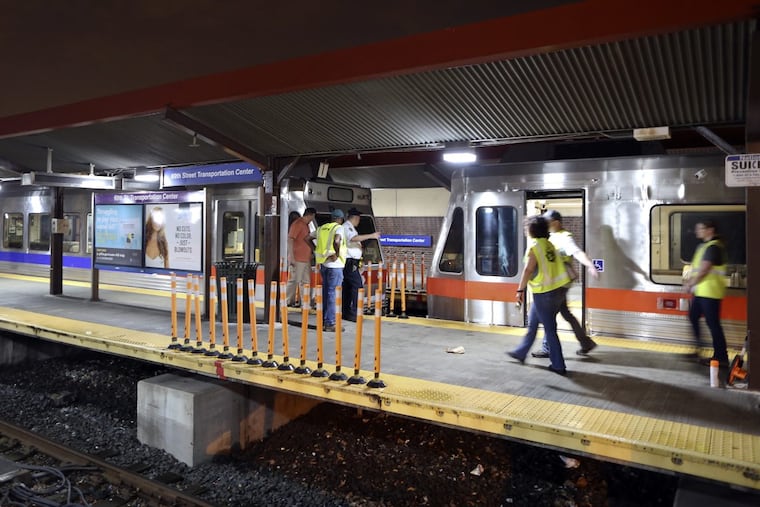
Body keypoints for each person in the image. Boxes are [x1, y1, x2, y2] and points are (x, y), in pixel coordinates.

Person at [507, 215, 573, 375]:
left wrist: (519, 290)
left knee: (550, 330)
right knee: (533, 323)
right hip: (556, 292)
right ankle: (521, 352)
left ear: (532, 230)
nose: (525, 230)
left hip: (545, 294)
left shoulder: (535, 246)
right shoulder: (549, 244)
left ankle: (559, 365)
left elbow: (528, 270)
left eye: (526, 228)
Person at [531, 210, 599, 358]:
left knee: (549, 315)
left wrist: (590, 265)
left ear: (556, 222)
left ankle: (547, 348)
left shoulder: (565, 237)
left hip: (560, 284)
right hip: (557, 283)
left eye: (547, 222)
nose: (545, 224)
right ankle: (585, 342)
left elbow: (577, 252)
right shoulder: (549, 237)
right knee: (565, 314)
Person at [683, 220, 728, 366]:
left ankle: (721, 357)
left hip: (710, 292)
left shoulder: (713, 247)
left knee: (713, 324)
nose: (697, 231)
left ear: (710, 230)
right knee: (693, 316)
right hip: (702, 292)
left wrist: (690, 283)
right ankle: (698, 349)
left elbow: (704, 270)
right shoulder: (704, 246)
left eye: (700, 228)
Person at [341, 208, 381, 321]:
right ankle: (354, 312)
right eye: (358, 219)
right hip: (349, 262)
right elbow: (353, 238)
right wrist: (371, 236)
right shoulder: (347, 227)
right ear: (356, 218)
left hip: (351, 262)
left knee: (348, 288)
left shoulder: (350, 227)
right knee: (357, 286)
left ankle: (347, 312)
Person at [310, 209, 346, 332]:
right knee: (333, 294)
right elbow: (337, 240)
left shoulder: (321, 228)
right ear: (340, 219)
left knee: (326, 293)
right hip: (335, 266)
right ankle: (330, 323)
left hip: (324, 265)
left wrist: (315, 250)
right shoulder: (339, 228)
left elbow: (306, 238)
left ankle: (324, 320)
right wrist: (336, 253)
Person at [285, 207, 316, 307]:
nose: (312, 220)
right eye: (312, 217)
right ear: (311, 215)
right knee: (294, 280)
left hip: (305, 259)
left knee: (305, 281)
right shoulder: (298, 224)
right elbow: (290, 239)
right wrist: (292, 257)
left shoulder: (305, 225)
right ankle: (286, 301)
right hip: (297, 258)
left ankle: (305, 303)